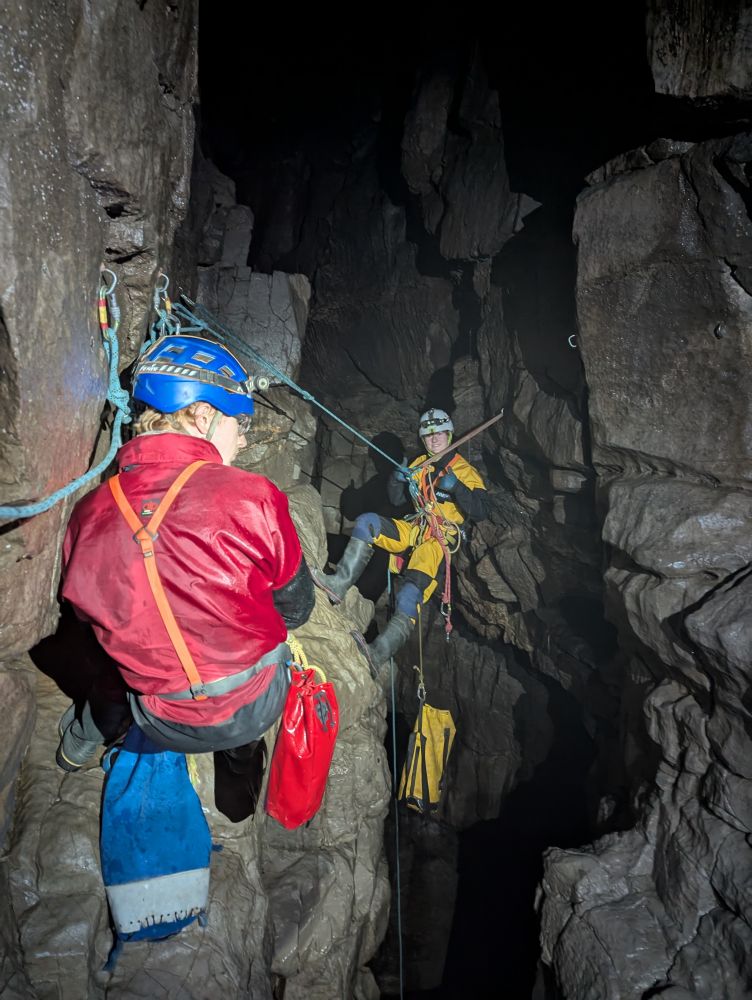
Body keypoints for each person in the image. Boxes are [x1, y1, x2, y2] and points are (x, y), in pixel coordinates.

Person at [57, 333, 314, 771]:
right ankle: (241, 754)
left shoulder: (88, 513)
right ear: (203, 415)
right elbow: (297, 608)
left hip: (158, 719)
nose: (243, 441)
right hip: (254, 705)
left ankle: (81, 741)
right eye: (239, 423)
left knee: (116, 646)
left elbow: (87, 618)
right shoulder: (252, 495)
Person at [313, 408, 488, 676]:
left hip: (437, 542)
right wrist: (397, 480)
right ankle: (338, 584)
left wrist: (458, 488)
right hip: (415, 528)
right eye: (428, 435)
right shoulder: (421, 464)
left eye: (439, 433)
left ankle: (378, 653)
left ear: (449, 434)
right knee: (368, 523)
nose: (434, 439)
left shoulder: (465, 471)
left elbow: (481, 510)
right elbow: (397, 501)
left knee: (409, 593)